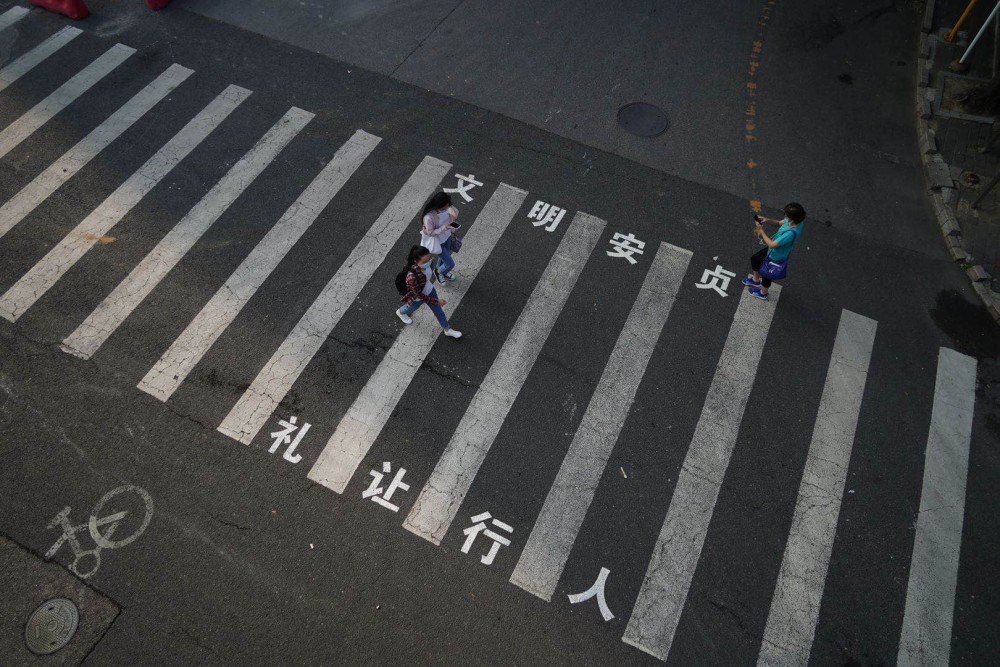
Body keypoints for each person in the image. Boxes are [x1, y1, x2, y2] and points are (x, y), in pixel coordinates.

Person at [742, 202, 806, 301]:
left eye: (786, 214)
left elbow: (772, 244)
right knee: (755, 259)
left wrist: (761, 230)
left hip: (776, 255)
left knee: (767, 275)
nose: (785, 216)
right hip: (771, 251)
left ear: (793, 217)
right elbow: (779, 223)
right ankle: (755, 280)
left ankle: (763, 293)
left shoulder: (791, 233)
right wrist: (767, 220)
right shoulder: (795, 221)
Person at [396, 245, 462, 338]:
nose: (429, 261)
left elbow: (428, 274)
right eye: (425, 261)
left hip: (430, 290)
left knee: (438, 312)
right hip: (419, 297)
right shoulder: (411, 277)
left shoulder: (429, 263)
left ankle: (447, 329)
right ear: (416, 262)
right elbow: (420, 295)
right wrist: (436, 301)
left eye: (429, 258)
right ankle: (401, 312)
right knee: (412, 308)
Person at [420, 192, 460, 285]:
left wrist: (450, 206)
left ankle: (440, 270)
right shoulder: (428, 217)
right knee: (450, 264)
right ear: (439, 205)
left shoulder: (446, 209)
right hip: (438, 241)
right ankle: (439, 272)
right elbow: (430, 232)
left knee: (444, 258)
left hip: (448, 237)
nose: (447, 208)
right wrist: (444, 228)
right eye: (445, 206)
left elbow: (455, 215)